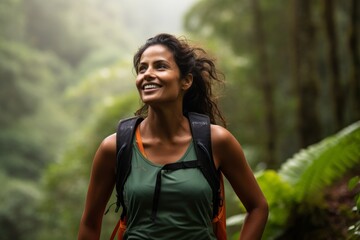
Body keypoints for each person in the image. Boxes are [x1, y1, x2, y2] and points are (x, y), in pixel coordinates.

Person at [78, 33, 268, 240]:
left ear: (185, 81)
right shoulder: (115, 147)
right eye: (143, 68)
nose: (147, 74)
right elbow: (89, 224)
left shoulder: (216, 141)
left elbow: (258, 207)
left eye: (160, 66)